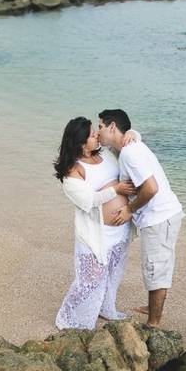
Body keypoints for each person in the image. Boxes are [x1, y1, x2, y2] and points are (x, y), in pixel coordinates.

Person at [97, 109, 184, 328]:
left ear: (112, 127)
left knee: (156, 268)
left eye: (100, 127)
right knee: (153, 266)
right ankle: (151, 307)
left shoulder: (129, 153)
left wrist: (129, 210)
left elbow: (151, 188)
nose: (98, 132)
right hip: (158, 217)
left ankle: (154, 322)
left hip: (160, 218)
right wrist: (135, 132)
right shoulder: (127, 148)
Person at [53, 116, 140, 330]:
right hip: (96, 235)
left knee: (113, 272)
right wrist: (116, 189)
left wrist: (133, 134)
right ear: (81, 143)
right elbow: (87, 201)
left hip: (120, 230)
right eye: (92, 134)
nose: (97, 135)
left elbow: (131, 144)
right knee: (89, 281)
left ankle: (106, 308)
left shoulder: (106, 155)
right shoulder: (73, 171)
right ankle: (67, 318)